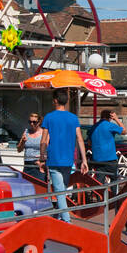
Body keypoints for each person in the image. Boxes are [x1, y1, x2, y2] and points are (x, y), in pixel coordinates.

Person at [40, 88, 88, 223]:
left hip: (53, 158)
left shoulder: (49, 117)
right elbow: (79, 139)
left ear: (55, 100)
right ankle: (59, 217)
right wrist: (84, 160)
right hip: (68, 159)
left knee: (60, 192)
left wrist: (42, 156)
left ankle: (67, 222)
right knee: (62, 190)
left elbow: (43, 140)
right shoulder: (73, 118)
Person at [89, 109, 125, 183]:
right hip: (110, 159)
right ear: (110, 117)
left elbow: (89, 143)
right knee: (114, 181)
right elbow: (124, 131)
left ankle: (99, 194)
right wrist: (116, 119)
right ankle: (114, 194)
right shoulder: (110, 125)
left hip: (97, 159)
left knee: (99, 182)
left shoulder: (94, 127)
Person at [17, 113, 44, 180]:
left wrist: (42, 159)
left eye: (34, 122)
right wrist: (23, 141)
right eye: (30, 122)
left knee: (39, 188)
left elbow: (50, 148)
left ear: (39, 122)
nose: (32, 124)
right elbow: (19, 149)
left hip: (38, 164)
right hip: (27, 164)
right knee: (26, 187)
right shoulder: (26, 132)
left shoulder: (44, 133)